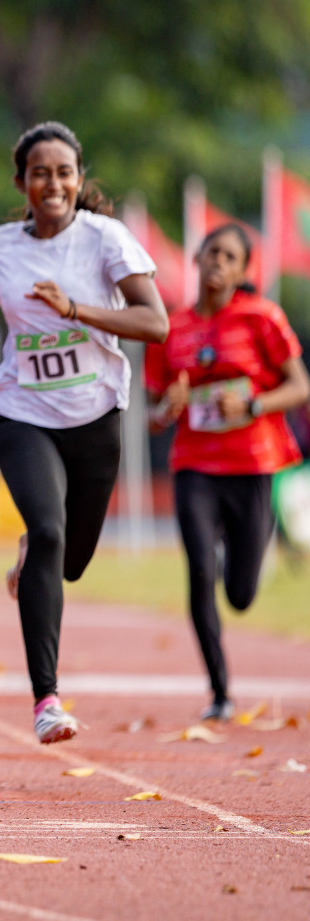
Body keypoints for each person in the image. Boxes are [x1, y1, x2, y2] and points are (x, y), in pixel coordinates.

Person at [0, 121, 168, 743]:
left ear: (79, 180)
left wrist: (76, 309)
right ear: (22, 183)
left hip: (95, 415)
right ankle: (46, 700)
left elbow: (155, 322)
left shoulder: (104, 239)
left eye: (64, 172)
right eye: (41, 172)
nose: (54, 183)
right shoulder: (4, 245)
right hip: (24, 411)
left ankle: (32, 556)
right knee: (48, 530)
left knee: (73, 562)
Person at [147, 223, 308, 722]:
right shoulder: (170, 328)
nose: (218, 262)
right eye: (212, 252)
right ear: (195, 258)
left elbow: (300, 387)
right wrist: (165, 409)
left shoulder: (262, 318)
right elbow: (155, 412)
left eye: (230, 256)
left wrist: (253, 402)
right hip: (195, 464)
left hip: (253, 464)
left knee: (239, 595)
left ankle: (236, 562)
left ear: (243, 271)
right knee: (198, 570)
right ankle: (220, 691)